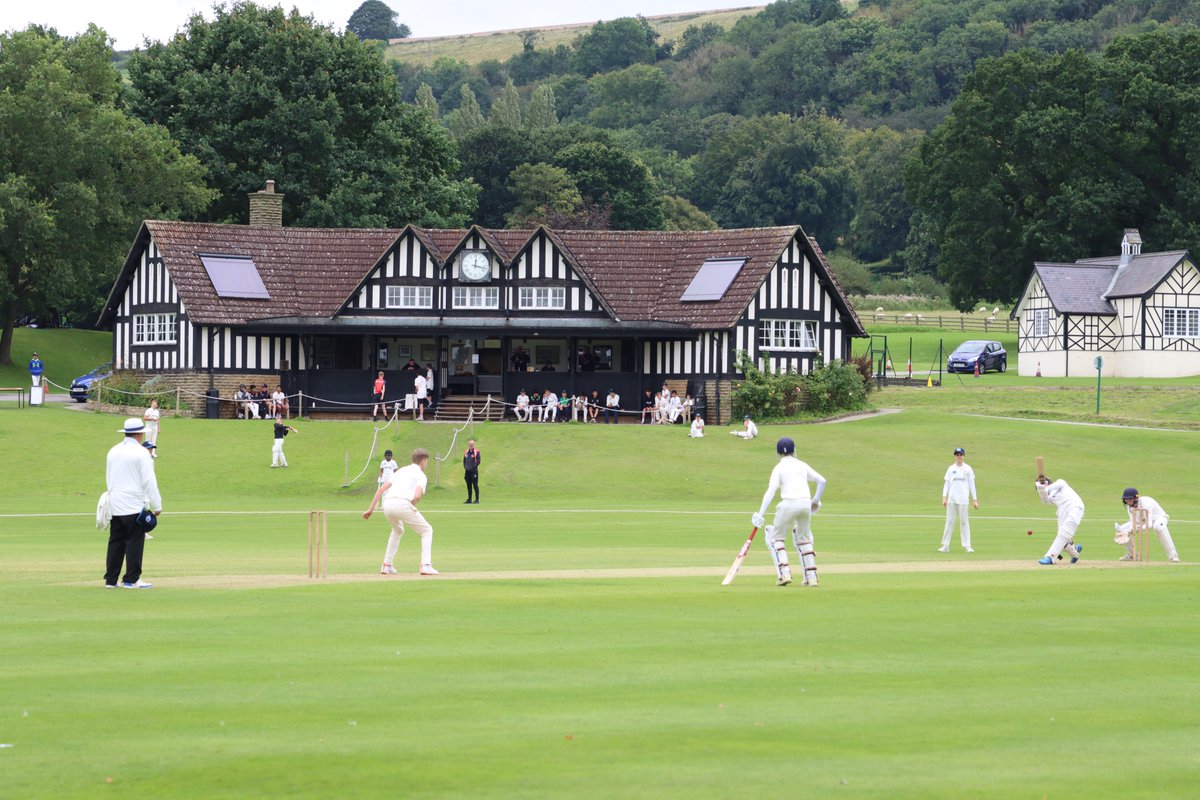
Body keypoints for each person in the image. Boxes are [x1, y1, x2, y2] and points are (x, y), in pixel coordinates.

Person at [751, 437, 826, 587]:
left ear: (778, 453)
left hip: (788, 504)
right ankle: (811, 577)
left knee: (775, 538)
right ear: (795, 450)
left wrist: (760, 514)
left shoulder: (778, 468)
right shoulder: (802, 465)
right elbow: (822, 481)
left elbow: (771, 491)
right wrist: (815, 501)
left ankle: (784, 574)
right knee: (804, 539)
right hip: (805, 503)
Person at [103, 418, 162, 589]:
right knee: (134, 540)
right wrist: (157, 505)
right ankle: (132, 579)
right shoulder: (141, 453)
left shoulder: (113, 451)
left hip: (114, 504)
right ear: (139, 434)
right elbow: (149, 481)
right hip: (133, 504)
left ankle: (111, 580)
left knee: (116, 540)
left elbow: (109, 478)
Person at [364, 448, 438, 576]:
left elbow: (382, 489)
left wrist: (371, 509)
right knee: (427, 530)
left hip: (387, 504)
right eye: (426, 461)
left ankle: (386, 565)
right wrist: (411, 506)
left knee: (397, 530)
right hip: (402, 504)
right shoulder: (421, 475)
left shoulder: (401, 470)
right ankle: (426, 565)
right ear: (422, 461)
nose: (426, 464)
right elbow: (417, 496)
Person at [1115, 488, 1179, 562]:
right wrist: (1128, 531)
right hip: (1142, 521)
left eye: (1130, 499)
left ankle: (1173, 556)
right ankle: (1132, 555)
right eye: (1126, 499)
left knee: (1158, 527)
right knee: (1122, 530)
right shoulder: (1129, 507)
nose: (1128, 502)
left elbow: (1149, 524)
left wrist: (1137, 529)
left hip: (1158, 518)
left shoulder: (1146, 503)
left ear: (1136, 498)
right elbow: (1133, 522)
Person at [1034, 474, 1084, 565]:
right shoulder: (1050, 496)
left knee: (1064, 533)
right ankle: (1075, 551)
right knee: (1064, 543)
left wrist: (1044, 487)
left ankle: (1050, 557)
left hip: (1075, 506)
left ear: (1048, 482)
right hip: (1062, 511)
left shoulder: (1061, 483)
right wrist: (1041, 489)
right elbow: (1045, 500)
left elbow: (1054, 486)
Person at [938, 447, 978, 553]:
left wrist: (975, 500)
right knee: (949, 522)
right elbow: (946, 483)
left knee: (964, 522)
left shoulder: (968, 469)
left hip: (963, 500)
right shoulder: (951, 468)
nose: (959, 457)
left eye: (961, 455)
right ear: (955, 456)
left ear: (964, 456)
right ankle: (945, 545)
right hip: (951, 499)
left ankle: (967, 546)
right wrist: (944, 497)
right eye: (957, 455)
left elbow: (972, 484)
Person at [463, 439, 481, 504]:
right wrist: (465, 467)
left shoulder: (477, 452)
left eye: (472, 444)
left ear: (474, 444)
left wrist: (472, 467)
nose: (471, 445)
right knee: (469, 486)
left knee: (475, 485)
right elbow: (464, 461)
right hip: (467, 472)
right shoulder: (466, 452)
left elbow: (478, 461)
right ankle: (469, 499)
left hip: (474, 472)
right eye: (470, 444)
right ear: (468, 445)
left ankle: (477, 499)